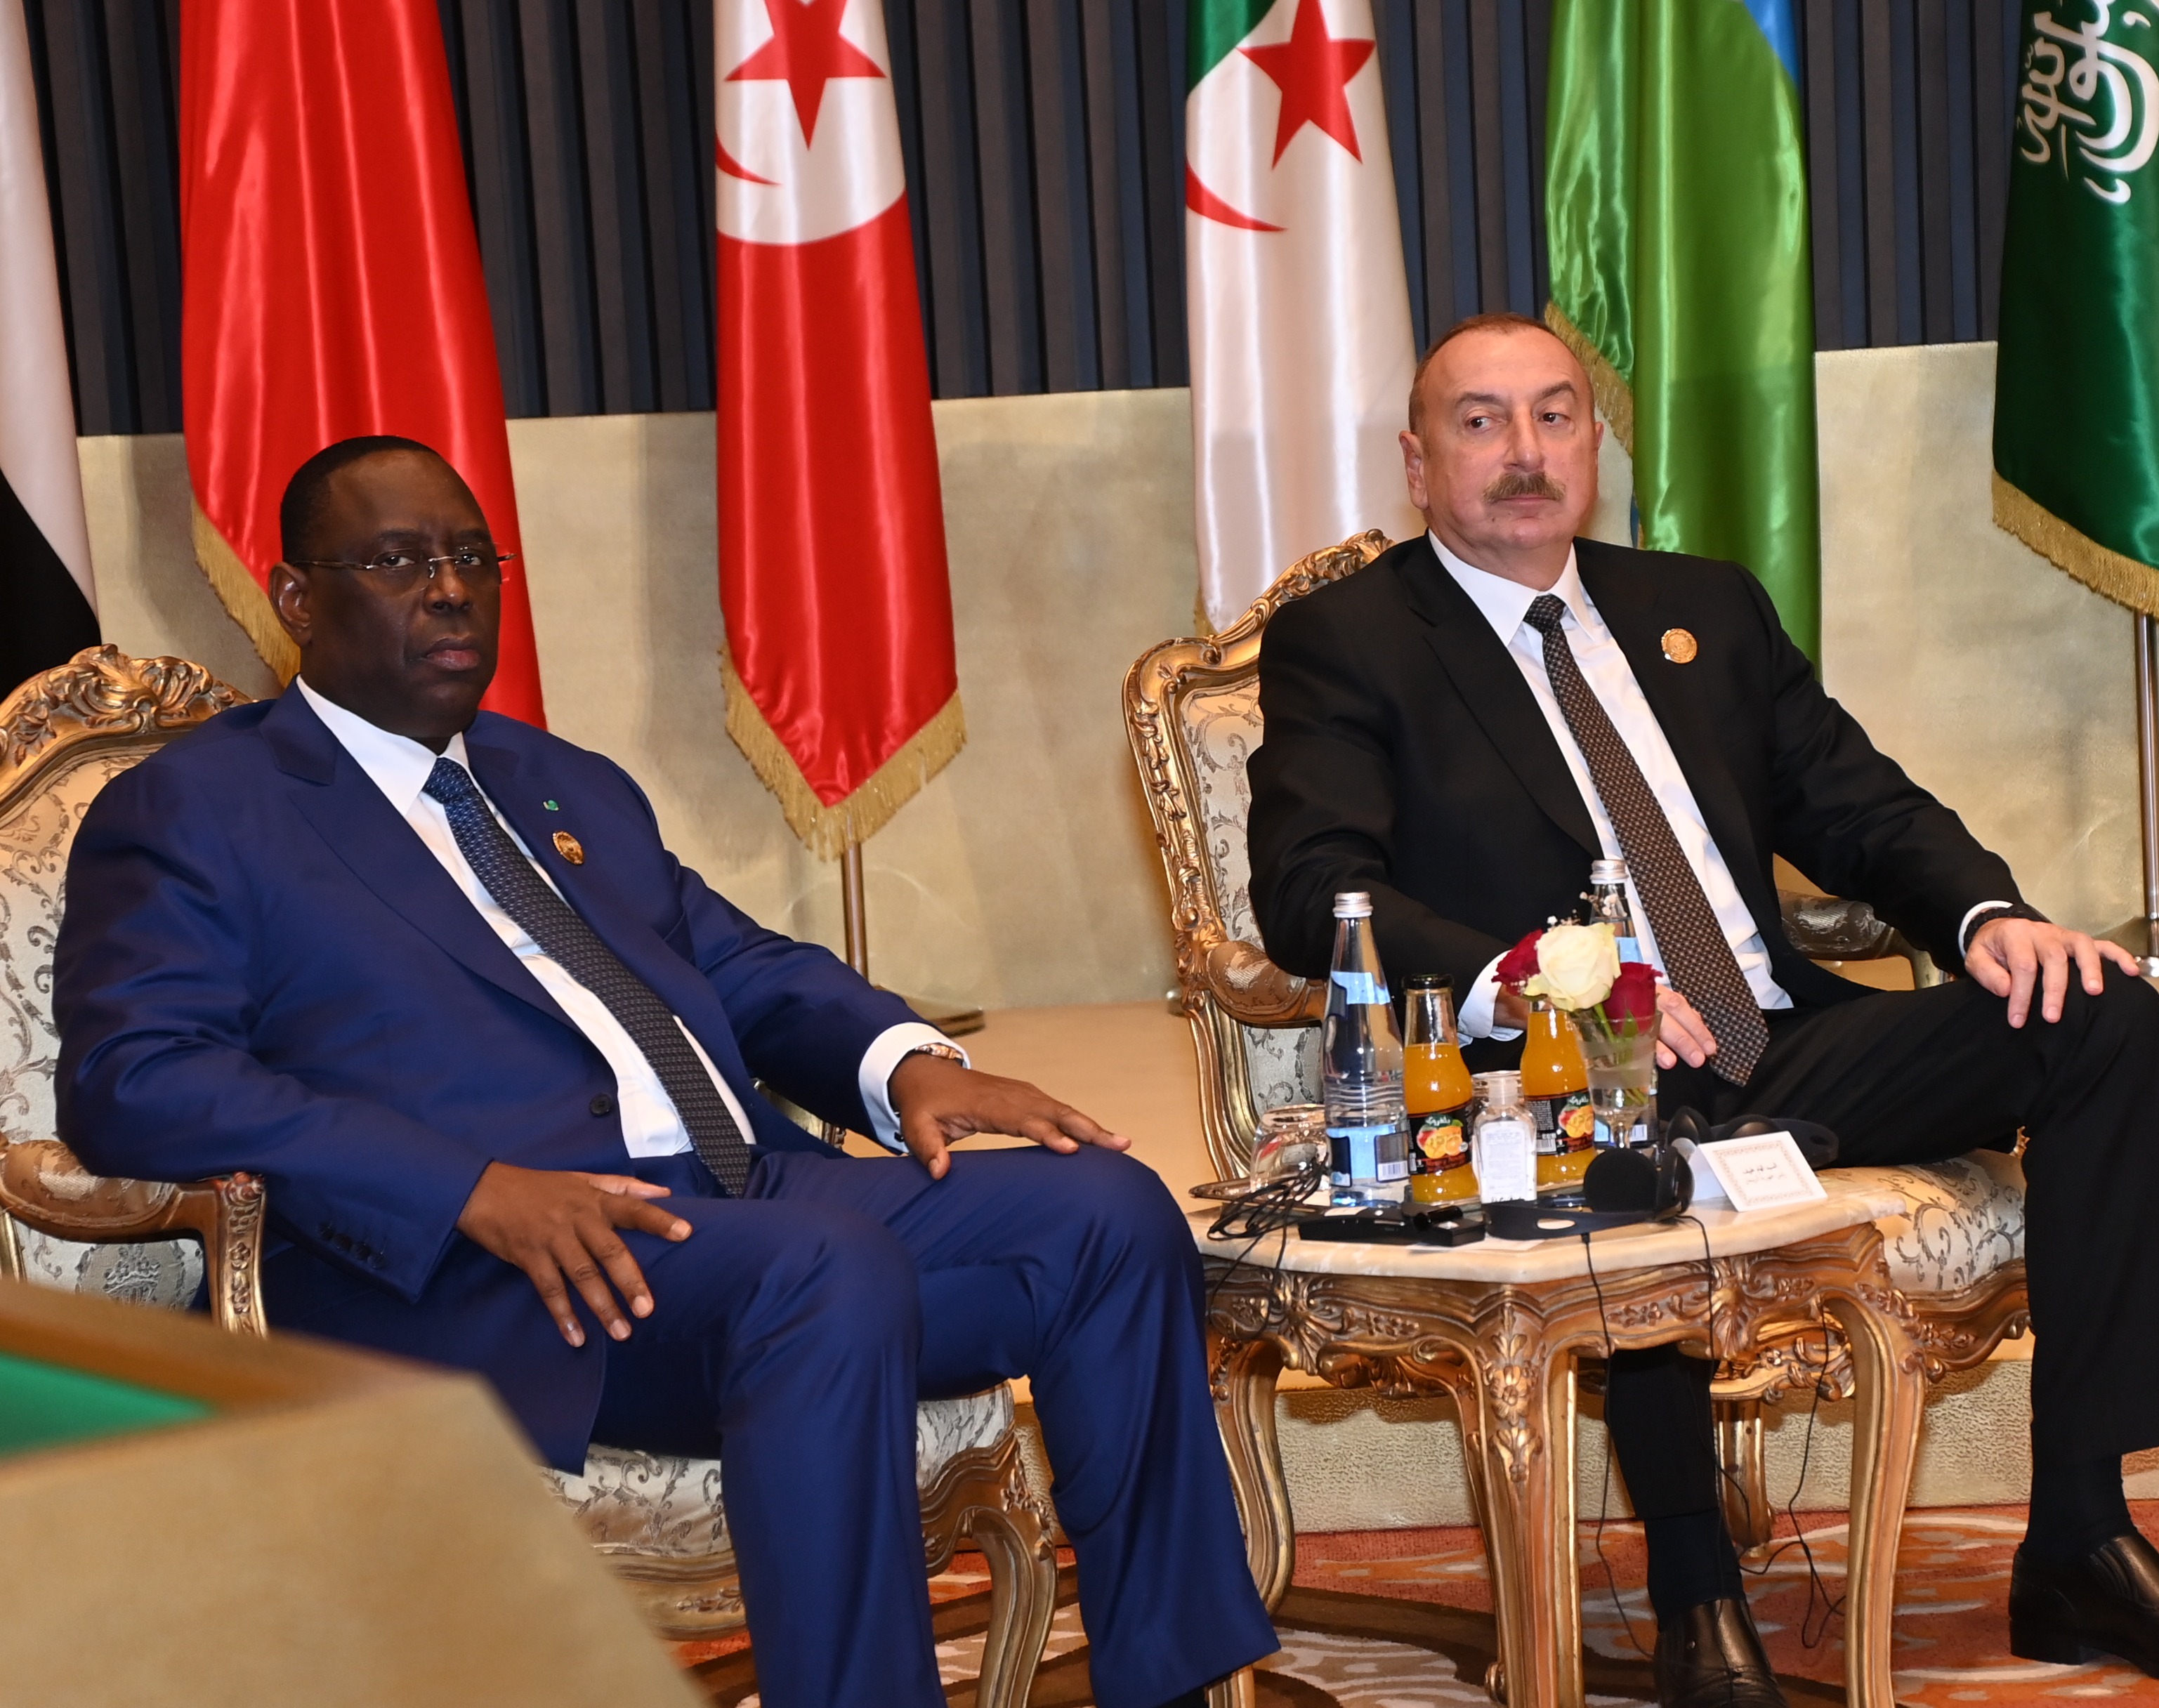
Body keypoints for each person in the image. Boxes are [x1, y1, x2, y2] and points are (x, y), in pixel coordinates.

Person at [54, 437, 1275, 1708]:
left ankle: (1170, 1685)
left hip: (734, 1199)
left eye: (472, 557)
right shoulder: (203, 805)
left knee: (1105, 1214)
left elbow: (735, 962)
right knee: (822, 1272)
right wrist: (464, 1186)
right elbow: (136, 1074)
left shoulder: (558, 781)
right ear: (297, 599)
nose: (452, 590)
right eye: (399, 562)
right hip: (491, 1273)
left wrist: (904, 1061)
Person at [1246, 313, 2159, 1707]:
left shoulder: (1702, 607)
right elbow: (1312, 890)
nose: (1525, 452)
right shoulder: (1353, 640)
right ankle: (1697, 1600)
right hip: (1574, 1067)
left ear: (1594, 442)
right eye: (1482, 420)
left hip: (1781, 1034)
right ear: (1416, 460)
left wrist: (1991, 920)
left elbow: (1861, 807)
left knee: (2102, 1018)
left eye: (1556, 414)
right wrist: (1547, 974)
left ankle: (2081, 1541)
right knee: (1634, 1140)